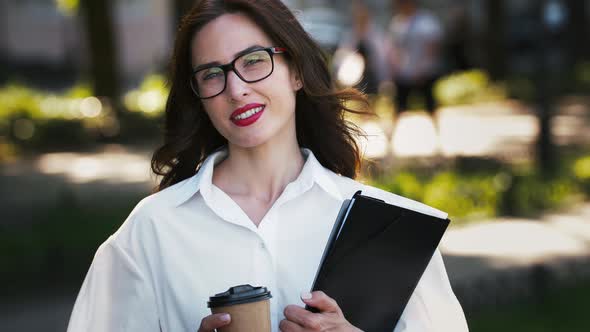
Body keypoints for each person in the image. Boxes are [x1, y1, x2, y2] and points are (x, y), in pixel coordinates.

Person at [66, 1, 468, 331]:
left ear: (295, 70)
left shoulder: (392, 229)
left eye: (254, 61)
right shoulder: (151, 231)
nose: (237, 88)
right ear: (200, 96)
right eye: (212, 74)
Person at [388, 0, 443, 117]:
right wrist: (396, 68)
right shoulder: (397, 22)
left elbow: (432, 48)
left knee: (430, 106)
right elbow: (394, 48)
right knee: (400, 108)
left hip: (425, 73)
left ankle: (436, 130)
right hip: (404, 73)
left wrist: (423, 69)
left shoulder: (426, 21)